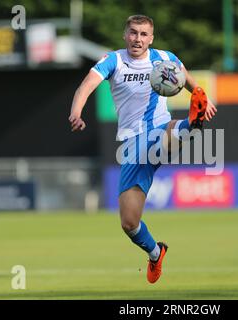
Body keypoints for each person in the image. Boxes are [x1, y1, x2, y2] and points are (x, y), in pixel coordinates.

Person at [69, 14, 217, 284]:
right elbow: (85, 87)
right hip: (132, 145)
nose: (138, 39)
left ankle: (192, 123)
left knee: (167, 133)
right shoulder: (113, 60)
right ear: (125, 35)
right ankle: (155, 253)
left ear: (151, 38)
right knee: (128, 222)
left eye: (143, 34)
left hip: (159, 129)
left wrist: (201, 98)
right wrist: (76, 112)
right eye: (133, 33)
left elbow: (186, 78)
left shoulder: (164, 57)